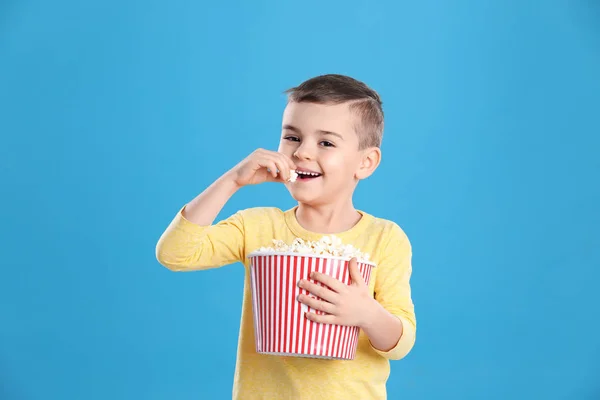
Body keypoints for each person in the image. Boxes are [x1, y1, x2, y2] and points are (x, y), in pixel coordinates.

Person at [155, 74, 416, 399]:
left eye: (326, 143)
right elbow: (175, 253)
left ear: (365, 162)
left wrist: (366, 313)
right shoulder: (257, 227)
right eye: (292, 137)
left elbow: (400, 342)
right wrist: (232, 181)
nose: (302, 152)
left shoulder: (384, 239)